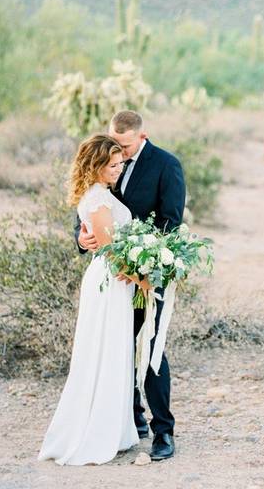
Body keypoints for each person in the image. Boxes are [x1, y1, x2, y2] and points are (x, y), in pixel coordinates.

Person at [74, 110, 186, 461]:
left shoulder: (166, 165)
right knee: (116, 347)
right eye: (113, 146)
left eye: (123, 147)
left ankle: (163, 431)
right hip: (114, 279)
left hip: (146, 276)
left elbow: (170, 222)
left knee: (150, 349)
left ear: (142, 136)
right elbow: (90, 209)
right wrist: (82, 239)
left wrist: (145, 268)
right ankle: (130, 419)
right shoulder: (104, 161)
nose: (118, 155)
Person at [38, 134, 142, 465]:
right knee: (105, 351)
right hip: (110, 282)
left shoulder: (100, 194)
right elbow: (112, 252)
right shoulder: (97, 199)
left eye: (120, 162)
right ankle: (96, 433)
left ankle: (115, 429)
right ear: (97, 166)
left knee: (113, 351)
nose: (119, 168)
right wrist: (145, 279)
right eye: (112, 165)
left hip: (113, 282)